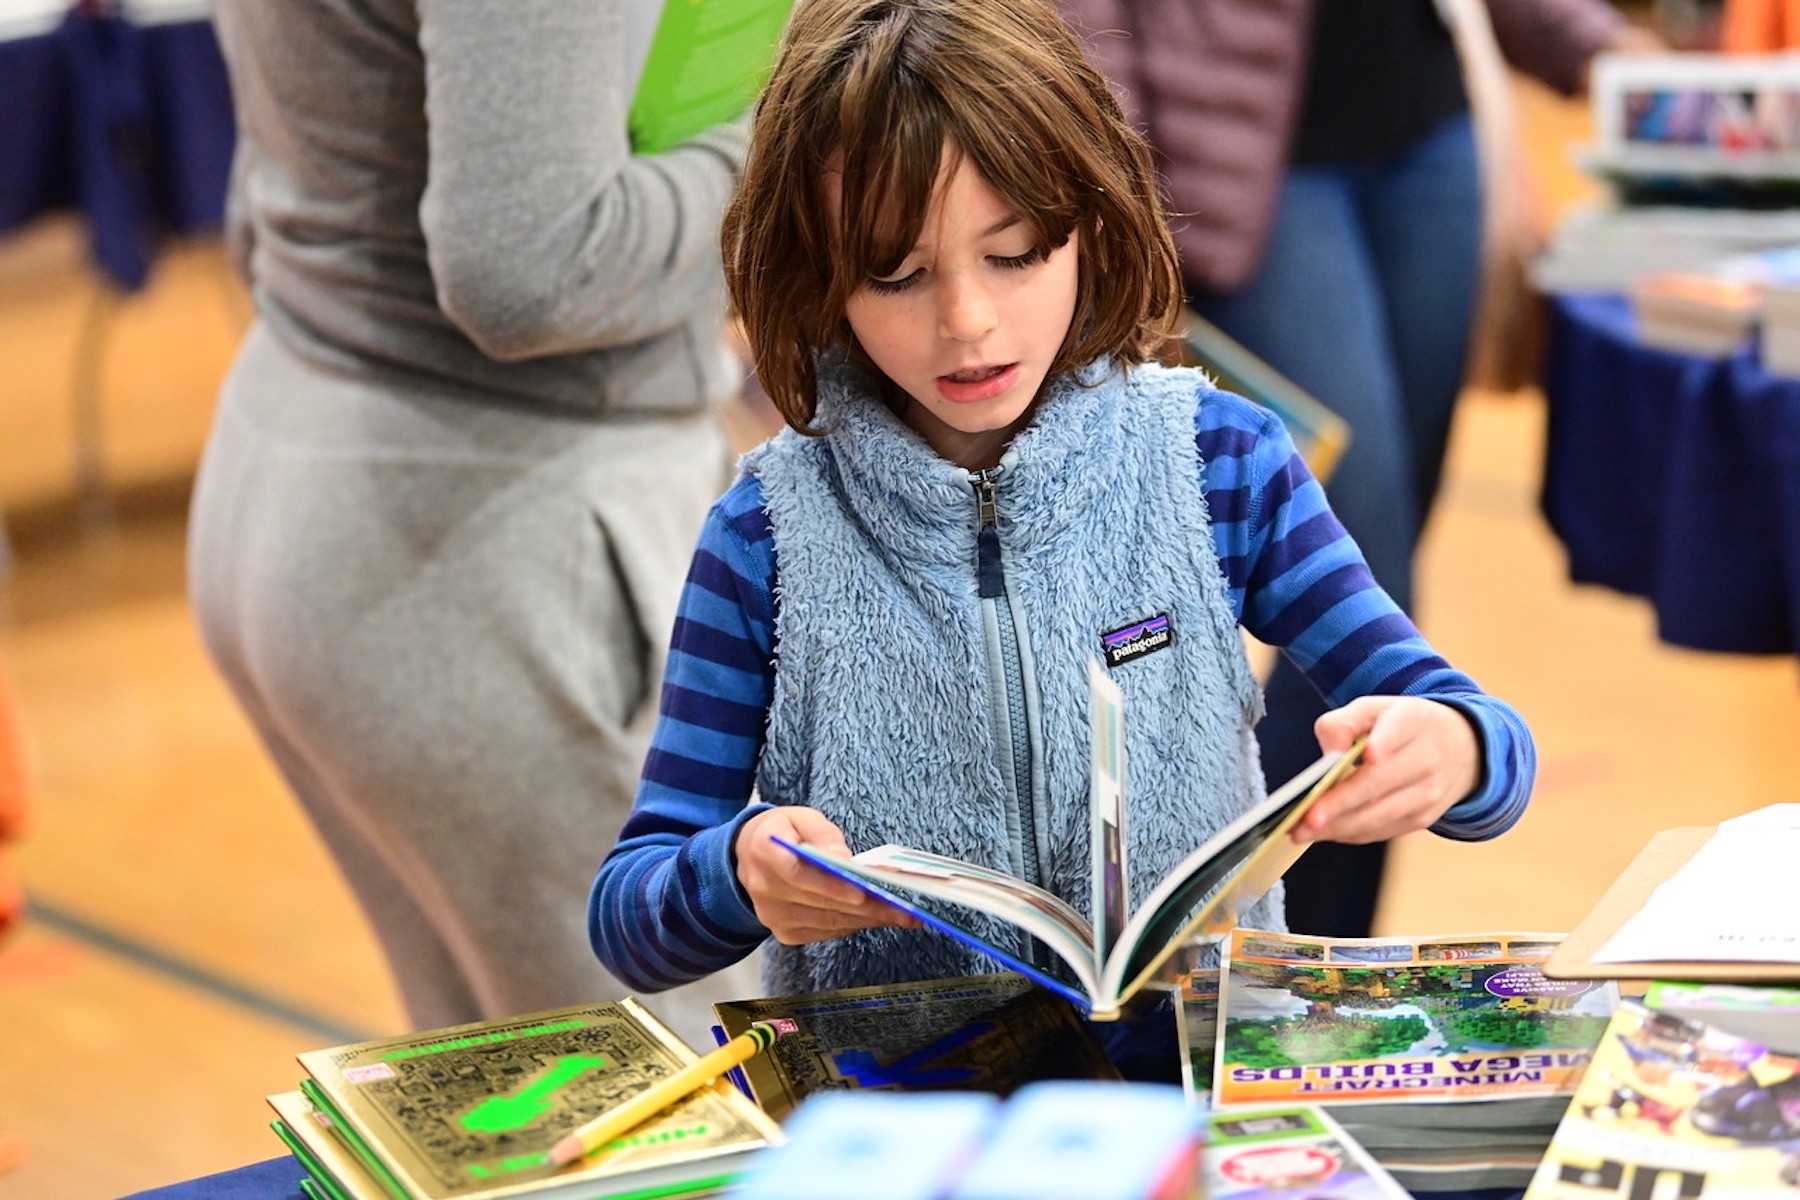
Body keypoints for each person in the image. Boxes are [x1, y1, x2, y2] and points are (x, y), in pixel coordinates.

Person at [586, 0, 1537, 1079]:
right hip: (905, 1115)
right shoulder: (765, 535)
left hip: (1199, 1084)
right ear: (817, 275)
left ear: (1091, 221)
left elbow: (1484, 736)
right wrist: (736, 875)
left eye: (1017, 254)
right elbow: (630, 914)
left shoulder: (1218, 459)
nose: (969, 322)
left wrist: (1450, 754)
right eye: (895, 276)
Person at [187, 3, 762, 1046]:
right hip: (491, 531)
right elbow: (529, 266)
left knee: (525, 1122)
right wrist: (795, 145)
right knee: (678, 1115)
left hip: (326, 463)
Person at [1053, 0, 1646, 938]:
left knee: (1380, 590)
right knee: (1363, 544)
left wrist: (1593, 48)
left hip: (1426, 124)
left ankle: (1318, 963)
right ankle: (1244, 946)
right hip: (1244, 168)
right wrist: (1097, 189)